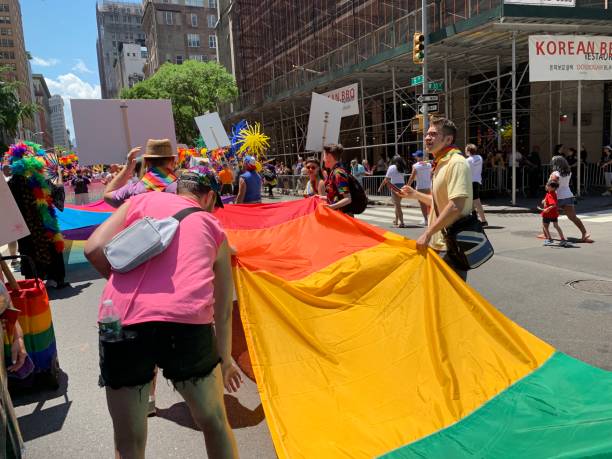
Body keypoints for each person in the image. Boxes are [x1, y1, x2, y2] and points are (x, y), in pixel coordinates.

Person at [84, 169, 242, 459]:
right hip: (184, 322)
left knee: (128, 441)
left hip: (118, 322)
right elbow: (222, 312)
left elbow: (93, 248)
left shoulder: (140, 201)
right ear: (208, 198)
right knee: (215, 422)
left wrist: (127, 285)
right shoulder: (213, 228)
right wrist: (226, 359)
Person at [396, 117, 473, 281]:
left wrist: (428, 233)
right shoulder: (441, 163)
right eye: (427, 134)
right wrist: (415, 195)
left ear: (448, 139)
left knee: (449, 300)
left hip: (451, 246)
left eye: (433, 134)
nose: (427, 138)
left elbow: (455, 206)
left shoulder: (456, 162)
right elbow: (440, 203)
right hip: (439, 244)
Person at [104, 139, 178, 208]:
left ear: (145, 161)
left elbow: (108, 195)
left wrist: (128, 167)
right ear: (173, 161)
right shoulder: (181, 189)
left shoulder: (132, 190)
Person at [549, 155, 592, 242]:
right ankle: (584, 233)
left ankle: (546, 233)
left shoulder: (555, 174)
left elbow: (552, 186)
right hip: (568, 195)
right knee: (573, 217)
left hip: (557, 197)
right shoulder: (568, 173)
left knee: (547, 215)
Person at [323, 144, 353, 213]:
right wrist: (321, 197)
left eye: (324, 156)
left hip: (342, 216)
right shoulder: (333, 172)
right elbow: (336, 196)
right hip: (338, 215)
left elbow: (347, 199)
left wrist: (331, 207)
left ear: (329, 156)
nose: (323, 159)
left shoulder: (338, 174)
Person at [379, 155, 407, 227]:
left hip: (394, 186)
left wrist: (380, 187)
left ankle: (402, 222)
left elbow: (386, 179)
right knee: (397, 204)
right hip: (402, 186)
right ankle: (396, 220)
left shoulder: (391, 167)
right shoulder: (402, 168)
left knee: (397, 205)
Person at [406, 150, 432, 226]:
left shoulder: (415, 166)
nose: (414, 157)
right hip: (428, 186)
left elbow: (412, 177)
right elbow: (431, 174)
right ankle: (430, 218)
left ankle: (426, 220)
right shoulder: (428, 164)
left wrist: (408, 185)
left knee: (422, 204)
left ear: (417, 157)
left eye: (415, 156)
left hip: (420, 187)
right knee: (429, 203)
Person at [465, 144, 487, 226]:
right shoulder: (479, 158)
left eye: (466, 150)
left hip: (470, 182)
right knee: (471, 201)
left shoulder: (468, 160)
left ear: (468, 151)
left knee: (476, 202)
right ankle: (474, 218)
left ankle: (484, 221)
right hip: (477, 181)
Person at [540, 180, 567, 247]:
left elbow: (553, 204)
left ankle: (549, 239)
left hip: (548, 214)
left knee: (545, 226)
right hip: (554, 213)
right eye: (547, 185)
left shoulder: (550, 195)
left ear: (553, 188)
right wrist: (544, 200)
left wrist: (547, 209)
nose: (546, 186)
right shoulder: (551, 193)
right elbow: (551, 201)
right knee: (556, 226)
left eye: (548, 185)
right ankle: (563, 239)